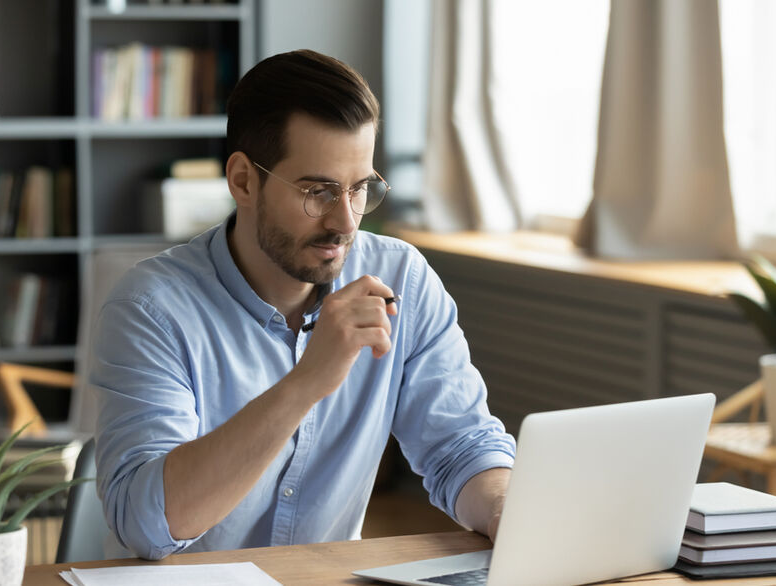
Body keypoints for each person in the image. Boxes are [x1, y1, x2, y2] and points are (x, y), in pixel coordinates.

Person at [91, 49, 515, 561]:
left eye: (360, 189)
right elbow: (148, 524)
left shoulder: (402, 277)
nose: (346, 222)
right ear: (244, 180)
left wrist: (502, 508)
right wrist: (308, 380)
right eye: (318, 191)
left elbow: (461, 447)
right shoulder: (151, 308)